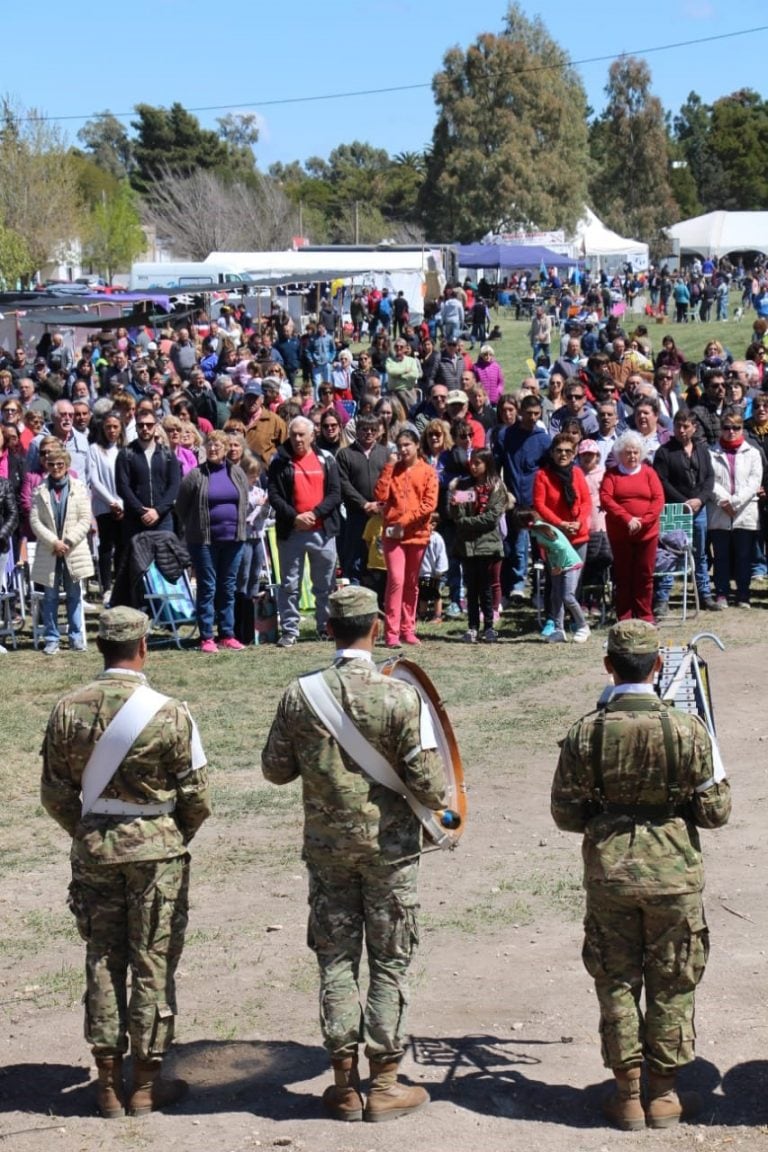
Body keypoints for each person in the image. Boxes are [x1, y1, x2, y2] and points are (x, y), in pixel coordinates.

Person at [261, 586, 445, 1123]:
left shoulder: (301, 696)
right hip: (390, 854)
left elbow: (274, 769)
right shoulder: (400, 698)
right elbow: (431, 786)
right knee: (390, 960)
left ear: (329, 627)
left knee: (336, 960)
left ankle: (344, 1086)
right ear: (378, 626)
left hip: (327, 851)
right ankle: (385, 1083)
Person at [551, 619, 731, 1130]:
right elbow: (717, 812)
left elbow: (565, 815)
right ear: (658, 666)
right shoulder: (689, 730)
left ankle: (627, 1094)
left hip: (610, 876)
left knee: (615, 981)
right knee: (673, 981)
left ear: (608, 665)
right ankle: (666, 1096)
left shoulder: (586, 731)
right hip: (674, 877)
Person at [41, 606, 211, 1119]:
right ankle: (146, 1084)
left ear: (101, 647)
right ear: (142, 647)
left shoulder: (68, 709)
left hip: (95, 852)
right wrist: (169, 833)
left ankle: (109, 1084)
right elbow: (197, 795)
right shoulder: (170, 711)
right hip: (156, 853)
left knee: (102, 958)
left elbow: (54, 794)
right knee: (152, 961)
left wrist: (91, 832)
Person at [268, 416, 342, 647]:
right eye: (294, 434)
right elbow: (274, 495)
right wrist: (295, 516)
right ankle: (290, 630)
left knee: (325, 584)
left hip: (323, 531)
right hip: (292, 532)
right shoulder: (279, 461)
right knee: (290, 584)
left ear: (312, 435)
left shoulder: (326, 459)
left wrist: (316, 514)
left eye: (302, 434)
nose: (298, 439)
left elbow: (335, 493)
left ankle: (324, 627)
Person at [175, 430, 249, 651]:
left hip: (234, 540)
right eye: (210, 445)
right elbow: (181, 506)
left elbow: (243, 501)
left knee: (228, 587)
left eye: (218, 445)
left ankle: (227, 633)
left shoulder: (237, 473)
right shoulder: (196, 475)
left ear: (226, 449)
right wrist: (195, 525)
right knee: (208, 587)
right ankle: (207, 636)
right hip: (204, 541)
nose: (214, 448)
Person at [374, 429, 439, 648]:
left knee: (411, 583)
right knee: (396, 581)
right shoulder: (393, 469)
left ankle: (408, 629)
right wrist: (389, 467)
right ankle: (391, 632)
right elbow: (380, 496)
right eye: (400, 445)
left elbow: (429, 504)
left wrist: (406, 520)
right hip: (393, 534)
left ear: (416, 445)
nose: (403, 449)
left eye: (407, 445)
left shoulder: (428, 471)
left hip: (417, 534)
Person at [30, 447, 93, 655]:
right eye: (52, 464)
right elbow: (35, 521)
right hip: (50, 551)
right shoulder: (40, 490)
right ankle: (52, 638)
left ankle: (76, 637)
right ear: (46, 466)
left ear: (66, 466)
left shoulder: (79, 488)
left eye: (60, 464)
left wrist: (67, 541)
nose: (56, 468)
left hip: (72, 550)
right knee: (50, 597)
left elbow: (85, 519)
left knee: (74, 595)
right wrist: (54, 542)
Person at [600, 431, 665, 623]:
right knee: (623, 575)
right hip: (621, 533)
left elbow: (658, 499)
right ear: (620, 454)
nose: (632, 456)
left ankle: (645, 614)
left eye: (636, 452)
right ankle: (625, 615)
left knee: (645, 575)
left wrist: (643, 521)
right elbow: (606, 498)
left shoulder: (649, 472)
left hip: (647, 534)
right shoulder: (612, 474)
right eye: (628, 452)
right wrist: (627, 518)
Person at [448, 449, 508, 643]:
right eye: (471, 463)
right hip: (467, 545)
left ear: (487, 464)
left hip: (488, 544)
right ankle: (472, 626)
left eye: (478, 463)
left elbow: (492, 518)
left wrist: (467, 523)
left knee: (486, 587)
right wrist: (457, 510)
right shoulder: (464, 486)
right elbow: (457, 514)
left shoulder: (496, 487)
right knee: (471, 588)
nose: (473, 467)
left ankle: (489, 626)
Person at [707, 408, 762, 608]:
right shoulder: (710, 452)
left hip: (744, 510)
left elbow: (754, 481)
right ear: (721, 429)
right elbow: (709, 480)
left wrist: (735, 502)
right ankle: (721, 592)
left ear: (742, 429)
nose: (731, 431)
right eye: (727, 427)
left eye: (736, 428)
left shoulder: (753, 453)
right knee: (721, 556)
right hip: (720, 510)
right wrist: (725, 501)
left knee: (743, 556)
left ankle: (743, 594)